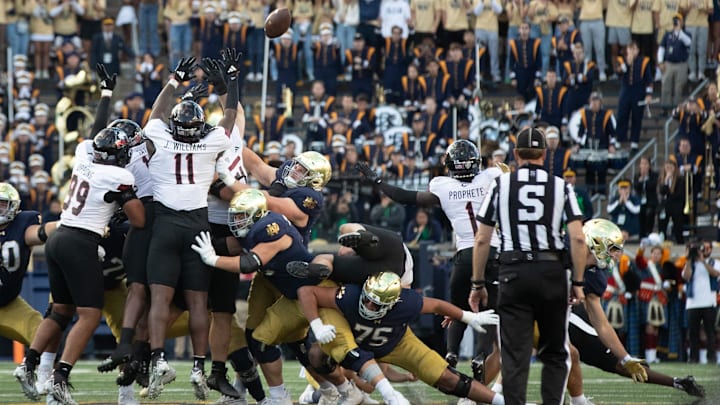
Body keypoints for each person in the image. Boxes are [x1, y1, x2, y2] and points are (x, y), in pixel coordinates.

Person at [19, 127, 145, 405]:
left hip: (59, 237)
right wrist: (125, 203)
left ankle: (28, 363)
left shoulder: (84, 160)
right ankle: (59, 378)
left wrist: (105, 95)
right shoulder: (120, 176)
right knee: (89, 316)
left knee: (60, 311)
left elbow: (91, 137)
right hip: (81, 243)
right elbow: (139, 220)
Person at [142, 52, 240, 400]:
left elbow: (154, 114)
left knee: (161, 297)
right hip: (199, 225)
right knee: (199, 302)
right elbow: (229, 118)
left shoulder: (160, 134)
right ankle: (199, 366)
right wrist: (231, 80)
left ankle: (158, 360)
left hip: (166, 223)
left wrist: (175, 80)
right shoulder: (212, 140)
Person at [357, 140, 504, 368]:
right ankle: (480, 356)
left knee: (458, 310)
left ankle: (452, 353)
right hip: (492, 252)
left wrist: (377, 181)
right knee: (489, 311)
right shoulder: (492, 177)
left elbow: (405, 197)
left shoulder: (442, 186)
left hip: (464, 256)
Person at [470, 127, 587, 405]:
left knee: (515, 355)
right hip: (551, 271)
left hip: (514, 272)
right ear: (545, 154)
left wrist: (477, 283)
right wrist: (579, 283)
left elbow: (482, 240)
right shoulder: (562, 186)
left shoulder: (501, 185)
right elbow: (579, 239)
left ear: (515, 154)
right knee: (555, 353)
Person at [297, 272, 505, 405]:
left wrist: (469, 316)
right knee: (316, 353)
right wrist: (316, 324)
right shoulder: (350, 295)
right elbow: (307, 292)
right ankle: (340, 390)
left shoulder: (406, 302)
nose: (369, 307)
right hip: (356, 345)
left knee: (449, 379)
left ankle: (501, 401)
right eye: (368, 300)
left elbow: (438, 306)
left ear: (391, 304)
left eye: (376, 305)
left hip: (397, 343)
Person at [568, 220, 704, 398]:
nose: (617, 255)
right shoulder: (564, 254)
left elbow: (601, 324)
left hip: (561, 314)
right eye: (613, 248)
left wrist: (626, 358)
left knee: (604, 358)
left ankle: (676, 382)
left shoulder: (595, 275)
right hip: (535, 310)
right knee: (569, 354)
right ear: (597, 242)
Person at [682, 241, 719, 363]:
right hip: (693, 303)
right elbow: (686, 276)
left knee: (710, 331)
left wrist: (703, 261)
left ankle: (711, 358)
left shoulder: (714, 262)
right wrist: (688, 259)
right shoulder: (690, 264)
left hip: (709, 302)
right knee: (693, 332)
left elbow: (715, 274)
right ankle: (693, 358)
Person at [658, 14, 691, 113]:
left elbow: (688, 43)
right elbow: (662, 48)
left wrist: (679, 31)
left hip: (681, 64)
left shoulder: (686, 34)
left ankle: (677, 110)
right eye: (674, 21)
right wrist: (660, 62)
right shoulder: (668, 34)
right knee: (666, 85)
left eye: (678, 21)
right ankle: (665, 108)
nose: (676, 23)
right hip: (669, 64)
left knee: (678, 88)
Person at [634, 156, 659, 237]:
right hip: (640, 201)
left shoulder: (654, 175)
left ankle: (649, 232)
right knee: (640, 215)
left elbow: (652, 186)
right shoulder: (637, 176)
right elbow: (636, 187)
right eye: (642, 164)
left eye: (646, 164)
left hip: (651, 201)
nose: (644, 166)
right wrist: (641, 179)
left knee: (650, 213)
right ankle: (641, 235)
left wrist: (646, 179)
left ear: (649, 165)